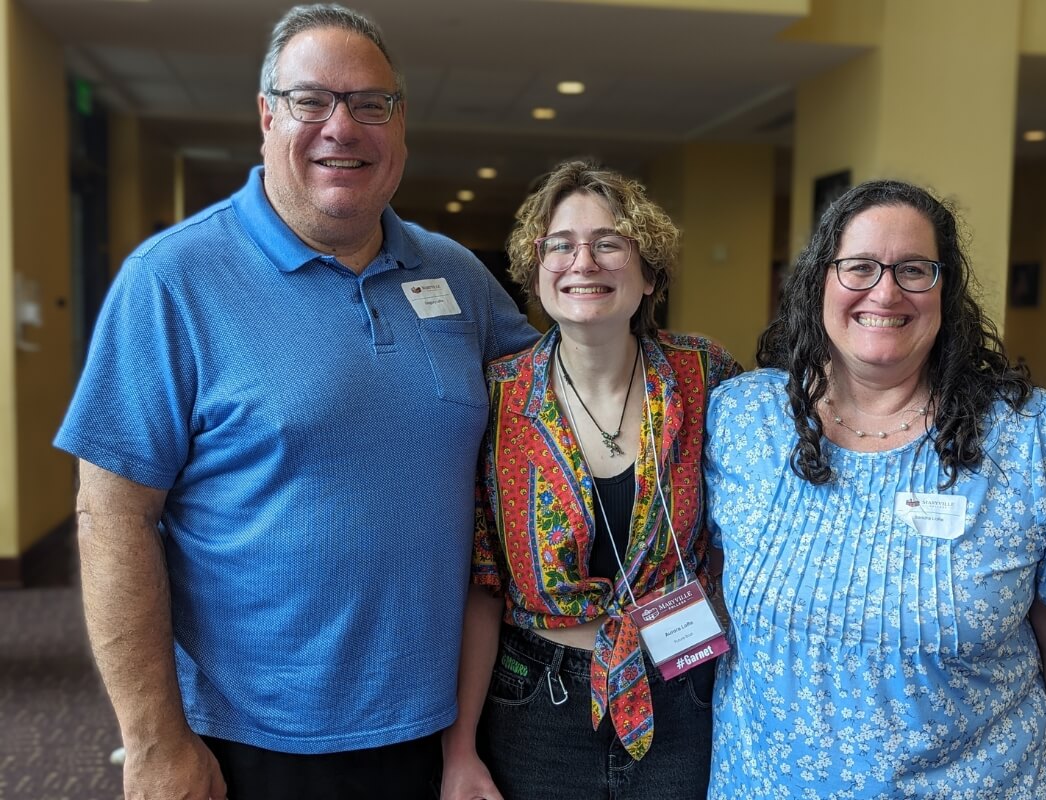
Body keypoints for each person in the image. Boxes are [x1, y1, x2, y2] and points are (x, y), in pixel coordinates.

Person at [53, 4, 536, 798]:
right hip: (252, 740)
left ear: (400, 126)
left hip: (444, 726)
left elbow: (566, 400)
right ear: (267, 116)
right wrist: (152, 742)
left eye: (370, 103)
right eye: (312, 100)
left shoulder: (456, 276)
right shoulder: (172, 279)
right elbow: (112, 518)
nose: (341, 127)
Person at [704, 179, 1046, 799]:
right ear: (821, 280)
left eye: (914, 270)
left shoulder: (1031, 438)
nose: (886, 291)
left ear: (945, 288)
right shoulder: (742, 420)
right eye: (860, 267)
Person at [440, 160, 742, 800]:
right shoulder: (497, 395)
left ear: (649, 270)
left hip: (680, 684)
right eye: (561, 245)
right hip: (535, 700)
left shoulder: (707, 376)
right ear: (535, 269)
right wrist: (460, 749)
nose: (585, 262)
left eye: (610, 243)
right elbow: (483, 585)